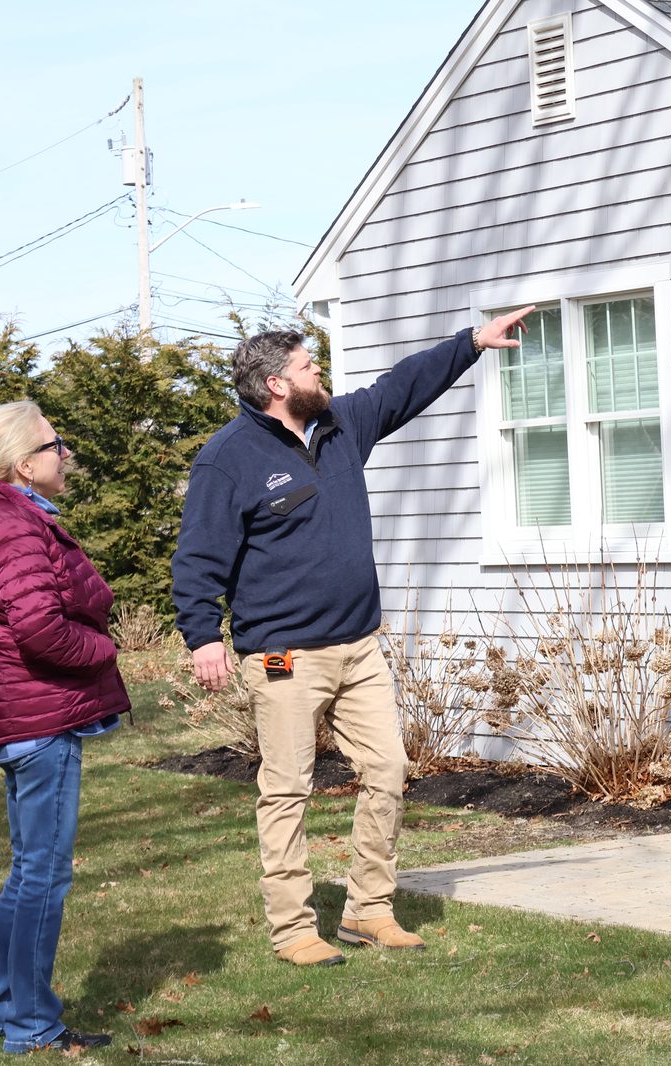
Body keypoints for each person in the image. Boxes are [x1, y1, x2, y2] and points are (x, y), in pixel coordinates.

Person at [172, 310, 531, 966]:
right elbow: (197, 556)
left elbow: (402, 386)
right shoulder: (228, 459)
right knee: (287, 788)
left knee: (389, 769)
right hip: (283, 655)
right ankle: (292, 930)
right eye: (310, 366)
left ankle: (369, 910)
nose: (322, 373)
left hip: (359, 647)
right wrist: (203, 635)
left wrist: (471, 343)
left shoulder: (340, 428)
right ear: (277, 384)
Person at [0, 400, 128, 1054]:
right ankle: (33, 1025)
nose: (64, 453)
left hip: (16, 718)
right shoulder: (13, 526)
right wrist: (105, 651)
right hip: (38, 718)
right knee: (44, 873)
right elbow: (40, 628)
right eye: (54, 444)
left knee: (28, 870)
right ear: (23, 463)